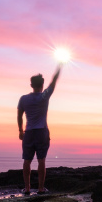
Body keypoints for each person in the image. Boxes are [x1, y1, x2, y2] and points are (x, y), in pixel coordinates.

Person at [17, 63, 62, 195]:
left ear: (31, 85)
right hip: (42, 131)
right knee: (41, 160)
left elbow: (19, 116)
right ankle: (41, 188)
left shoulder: (23, 99)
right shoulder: (44, 96)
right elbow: (54, 81)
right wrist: (60, 66)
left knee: (27, 160)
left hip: (29, 132)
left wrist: (20, 131)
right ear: (42, 84)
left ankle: (27, 188)